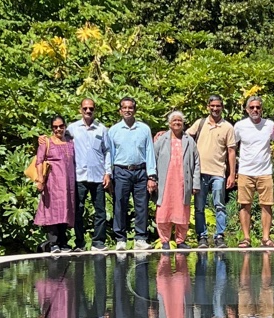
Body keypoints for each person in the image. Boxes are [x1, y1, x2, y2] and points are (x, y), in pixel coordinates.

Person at [107, 95, 156, 251]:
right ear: (120, 110)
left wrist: (151, 175)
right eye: (125, 107)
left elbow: (150, 152)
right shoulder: (113, 130)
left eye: (131, 107)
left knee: (141, 206)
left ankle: (140, 238)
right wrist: (109, 173)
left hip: (141, 171)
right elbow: (110, 153)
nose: (128, 110)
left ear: (135, 110)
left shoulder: (144, 129)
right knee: (120, 205)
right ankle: (120, 239)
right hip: (121, 171)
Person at [187, 94, 237, 246]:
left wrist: (232, 174)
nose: (215, 108)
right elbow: (184, 137)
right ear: (208, 107)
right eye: (212, 106)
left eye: (218, 106)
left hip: (218, 173)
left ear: (222, 107)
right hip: (200, 173)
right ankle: (202, 236)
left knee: (219, 205)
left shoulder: (227, 127)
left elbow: (231, 151)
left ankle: (219, 236)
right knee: (199, 207)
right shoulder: (200, 123)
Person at [232, 93, 274, 247]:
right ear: (246, 109)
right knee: (244, 205)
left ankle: (266, 238)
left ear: (262, 109)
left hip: (265, 172)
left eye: (258, 107)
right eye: (251, 107)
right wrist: (232, 172)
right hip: (246, 172)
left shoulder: (269, 125)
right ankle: (246, 238)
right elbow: (232, 146)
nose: (255, 110)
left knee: (267, 205)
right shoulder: (239, 126)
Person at [154, 108, 200, 250]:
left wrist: (195, 183)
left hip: (182, 182)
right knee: (164, 210)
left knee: (182, 210)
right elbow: (152, 159)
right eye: (174, 120)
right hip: (166, 182)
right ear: (169, 123)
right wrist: (152, 179)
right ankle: (165, 241)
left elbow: (197, 162)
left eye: (179, 120)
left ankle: (180, 241)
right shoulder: (161, 140)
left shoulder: (189, 141)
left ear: (183, 123)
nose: (177, 123)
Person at [68, 98, 111, 250]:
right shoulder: (72, 129)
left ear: (94, 110)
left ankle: (98, 242)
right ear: (80, 109)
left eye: (91, 109)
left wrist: (108, 172)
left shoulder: (102, 129)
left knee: (100, 211)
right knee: (78, 211)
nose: (88, 111)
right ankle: (79, 243)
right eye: (85, 108)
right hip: (79, 176)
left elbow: (107, 151)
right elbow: (60, 142)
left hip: (98, 176)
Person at [33, 114, 77, 253]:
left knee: (65, 211)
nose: (58, 129)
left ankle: (63, 243)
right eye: (55, 127)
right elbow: (39, 161)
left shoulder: (70, 142)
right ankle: (53, 244)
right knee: (52, 212)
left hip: (68, 184)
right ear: (52, 128)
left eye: (61, 126)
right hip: (52, 183)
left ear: (65, 126)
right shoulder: (46, 143)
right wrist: (40, 180)